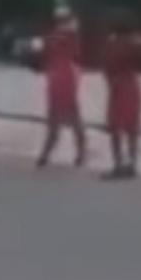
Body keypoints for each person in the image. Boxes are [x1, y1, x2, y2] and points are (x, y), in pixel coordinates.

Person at [101, 16, 141, 180]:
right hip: (131, 83)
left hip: (117, 85)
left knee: (116, 127)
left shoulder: (113, 43)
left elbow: (107, 66)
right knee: (132, 127)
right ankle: (132, 164)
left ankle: (118, 164)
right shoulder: (135, 41)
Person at [35, 9, 87, 169]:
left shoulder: (50, 37)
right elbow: (76, 52)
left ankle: (46, 153)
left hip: (54, 76)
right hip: (68, 75)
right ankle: (81, 153)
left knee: (54, 116)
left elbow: (42, 54)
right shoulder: (70, 34)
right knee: (74, 115)